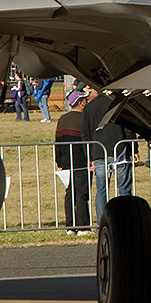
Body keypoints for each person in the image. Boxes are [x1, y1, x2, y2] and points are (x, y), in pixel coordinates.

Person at [83, 88, 134, 222]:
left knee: (101, 189)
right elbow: (128, 127)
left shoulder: (89, 107)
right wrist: (133, 149)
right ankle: (126, 220)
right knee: (124, 188)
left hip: (98, 150)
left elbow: (85, 133)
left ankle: (102, 222)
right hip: (119, 148)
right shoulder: (118, 103)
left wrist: (88, 155)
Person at [54, 89, 92, 233]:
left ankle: (70, 226)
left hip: (65, 162)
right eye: (85, 101)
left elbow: (57, 141)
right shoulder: (84, 119)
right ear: (81, 103)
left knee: (70, 193)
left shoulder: (63, 118)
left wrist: (59, 162)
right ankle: (83, 226)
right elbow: (86, 141)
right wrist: (90, 158)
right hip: (81, 161)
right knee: (81, 193)